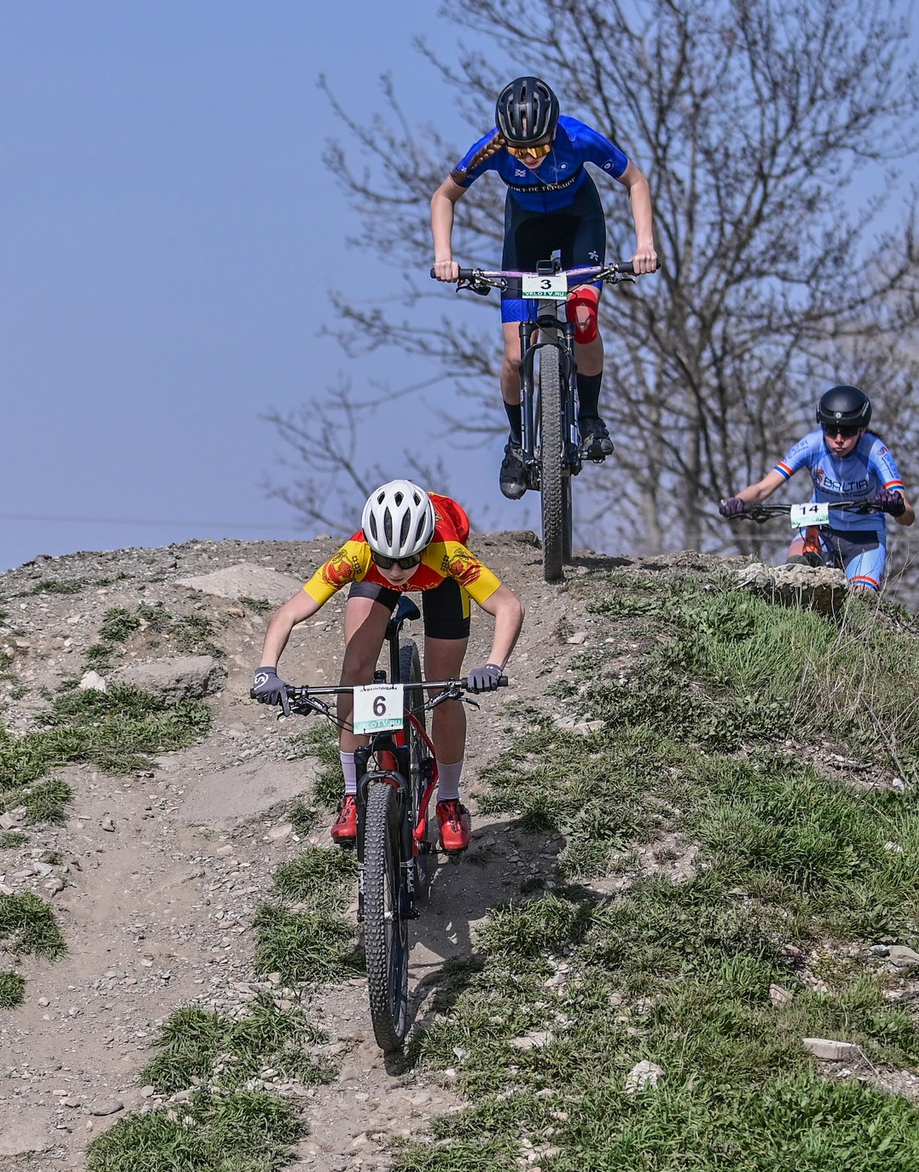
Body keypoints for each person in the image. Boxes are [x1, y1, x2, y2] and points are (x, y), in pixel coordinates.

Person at [250, 479, 524, 855]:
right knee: (355, 672)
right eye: (386, 559)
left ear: (424, 545)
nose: (396, 571)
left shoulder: (447, 552)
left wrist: (493, 665)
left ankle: (447, 799)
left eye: (407, 560)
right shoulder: (357, 554)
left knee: (442, 690)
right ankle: (351, 794)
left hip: (441, 582)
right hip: (373, 582)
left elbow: (508, 606)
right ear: (371, 548)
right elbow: (289, 613)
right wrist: (267, 669)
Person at [429, 75, 658, 498]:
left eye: (539, 147)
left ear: (555, 130)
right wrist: (444, 256)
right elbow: (444, 197)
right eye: (520, 151)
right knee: (515, 356)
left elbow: (636, 182)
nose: (530, 158)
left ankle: (589, 417)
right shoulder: (492, 148)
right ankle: (517, 445)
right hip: (526, 231)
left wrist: (645, 245)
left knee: (584, 316)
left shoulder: (579, 137)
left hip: (579, 224)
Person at [720, 385, 916, 593]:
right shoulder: (812, 444)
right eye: (831, 430)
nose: (838, 439)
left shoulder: (876, 450)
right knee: (794, 575)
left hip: (865, 539)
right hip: (819, 527)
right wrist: (737, 501)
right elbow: (762, 488)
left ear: (862, 430)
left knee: (862, 602)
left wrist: (897, 507)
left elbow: (908, 517)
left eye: (848, 432)